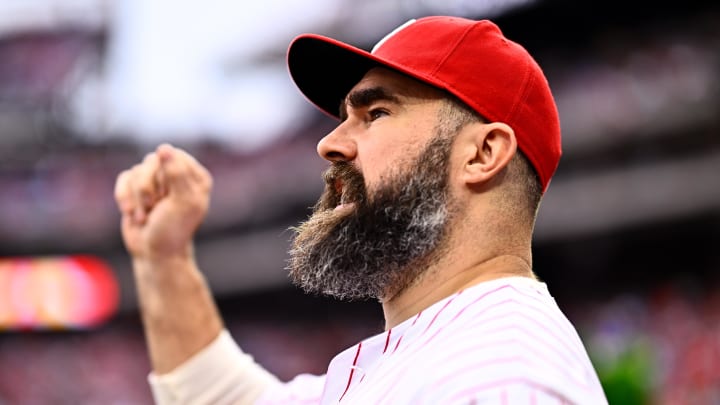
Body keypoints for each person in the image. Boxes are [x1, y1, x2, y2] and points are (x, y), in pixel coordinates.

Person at [114, 15, 608, 404]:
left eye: (375, 114)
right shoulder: (437, 352)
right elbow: (226, 398)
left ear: (481, 155)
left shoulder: (498, 380)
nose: (329, 143)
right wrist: (165, 259)